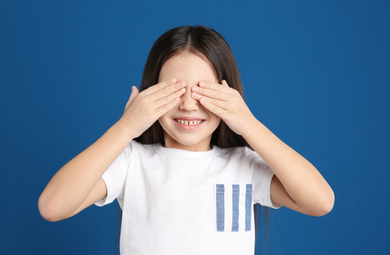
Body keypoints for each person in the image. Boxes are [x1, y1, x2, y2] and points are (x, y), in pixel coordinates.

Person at [38, 25, 334, 255]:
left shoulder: (244, 165)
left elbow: (320, 201)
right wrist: (125, 128)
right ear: (151, 92)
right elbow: (52, 207)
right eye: (174, 91)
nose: (189, 105)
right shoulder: (132, 162)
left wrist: (249, 125)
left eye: (204, 92)